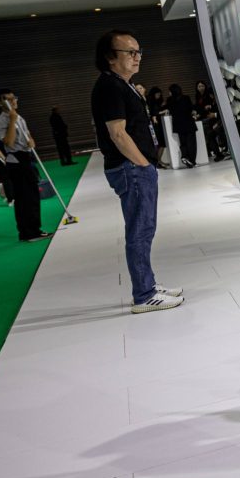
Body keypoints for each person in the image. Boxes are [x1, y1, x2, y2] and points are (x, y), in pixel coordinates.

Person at [91, 30, 184, 314]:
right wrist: (143, 164)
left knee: (144, 229)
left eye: (138, 51)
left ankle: (148, 284)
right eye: (129, 52)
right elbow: (117, 134)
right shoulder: (110, 86)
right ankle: (144, 294)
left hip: (136, 167)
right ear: (109, 58)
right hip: (131, 168)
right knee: (140, 231)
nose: (136, 57)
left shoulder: (123, 84)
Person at [0, 88, 48, 242]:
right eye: (8, 99)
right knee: (24, 198)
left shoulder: (20, 117)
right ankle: (28, 232)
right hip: (15, 161)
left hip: (26, 157)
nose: (13, 101)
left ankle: (34, 229)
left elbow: (29, 139)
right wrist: (11, 120)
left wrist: (31, 141)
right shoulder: (1, 121)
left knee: (32, 195)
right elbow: (8, 142)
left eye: (14, 98)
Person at [194, 80, 227, 162]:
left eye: (202, 86)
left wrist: (214, 115)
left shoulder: (218, 100)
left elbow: (223, 113)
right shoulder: (206, 100)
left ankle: (224, 149)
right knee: (209, 135)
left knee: (213, 131)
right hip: (214, 121)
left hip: (219, 122)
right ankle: (218, 153)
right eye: (199, 86)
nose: (201, 88)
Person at [165, 84, 197, 168]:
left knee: (183, 142)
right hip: (188, 122)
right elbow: (190, 108)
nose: (169, 93)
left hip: (178, 124)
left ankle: (184, 156)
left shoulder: (169, 100)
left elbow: (170, 110)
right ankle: (192, 161)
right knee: (191, 143)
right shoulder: (186, 98)